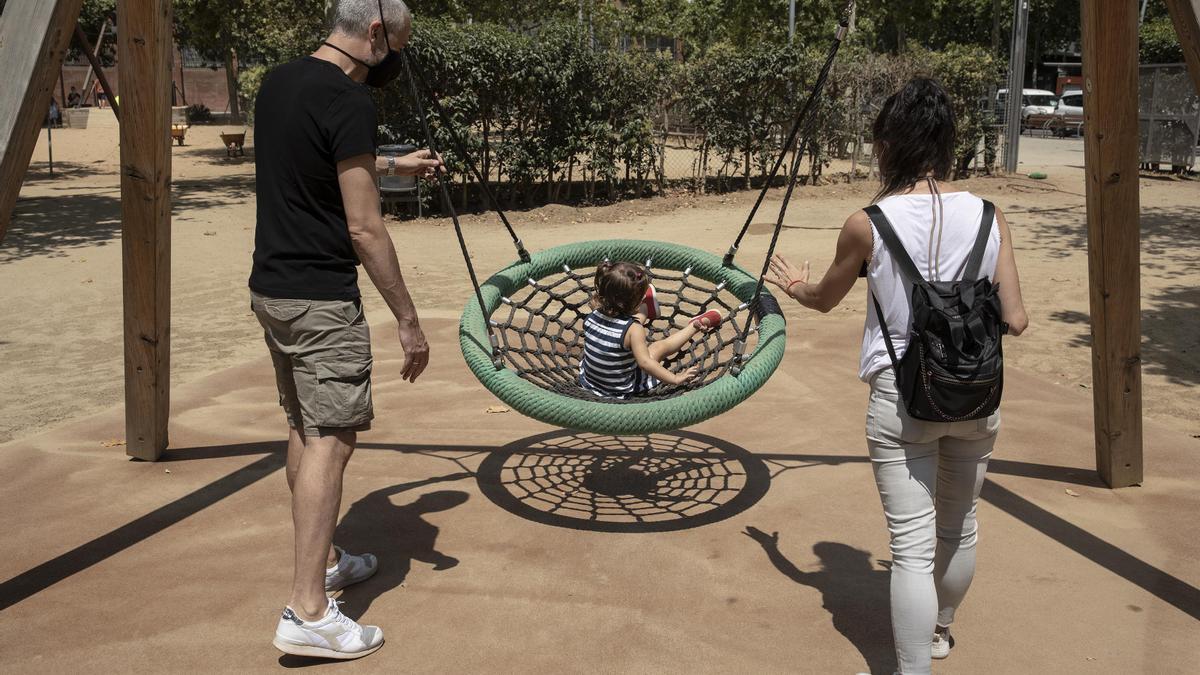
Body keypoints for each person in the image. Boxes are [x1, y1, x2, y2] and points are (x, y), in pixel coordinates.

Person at [765, 78, 1028, 674]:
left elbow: (824, 298)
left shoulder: (868, 224)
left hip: (903, 397)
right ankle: (940, 634)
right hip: (976, 396)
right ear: (949, 142)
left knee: (910, 547)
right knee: (959, 524)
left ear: (888, 145)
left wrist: (793, 284)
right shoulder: (991, 216)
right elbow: (1015, 319)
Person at [250, 0, 443, 661]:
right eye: (399, 46)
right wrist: (408, 319)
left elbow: (313, 166)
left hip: (272, 288)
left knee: (306, 427)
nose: (397, 61)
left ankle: (326, 557)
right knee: (333, 438)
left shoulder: (280, 80)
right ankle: (308, 608)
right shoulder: (352, 102)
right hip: (321, 298)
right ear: (376, 34)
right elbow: (363, 226)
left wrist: (391, 166)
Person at [579, 261, 722, 398]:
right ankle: (693, 326)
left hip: (589, 382)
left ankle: (646, 309)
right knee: (658, 347)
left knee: (624, 330)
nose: (640, 299)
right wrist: (675, 379)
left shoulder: (592, 314)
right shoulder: (634, 329)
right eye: (640, 298)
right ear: (630, 301)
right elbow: (645, 363)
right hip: (619, 389)